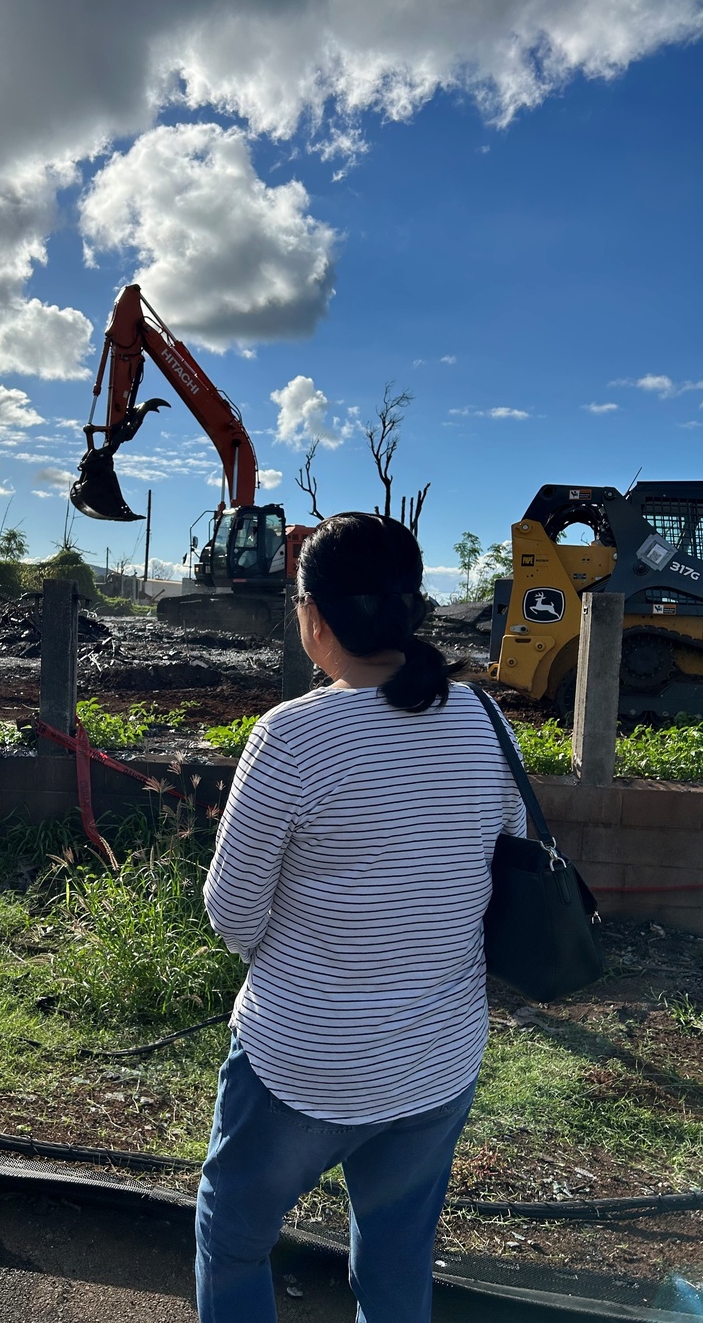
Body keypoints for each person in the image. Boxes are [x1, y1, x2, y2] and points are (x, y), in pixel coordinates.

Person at [195, 512, 525, 1323]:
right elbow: (507, 860)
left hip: (301, 1062)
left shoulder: (291, 738)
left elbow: (231, 910)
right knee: (397, 1261)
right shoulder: (485, 722)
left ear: (313, 615)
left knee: (233, 1240)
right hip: (437, 1059)